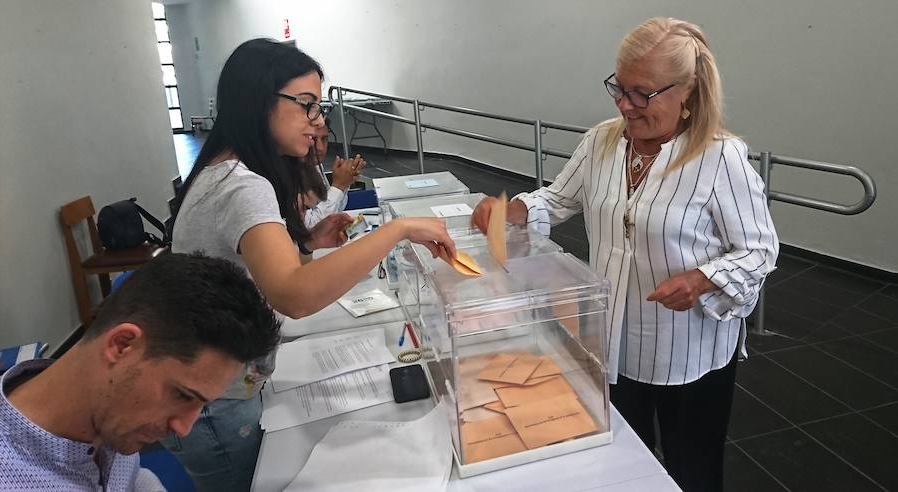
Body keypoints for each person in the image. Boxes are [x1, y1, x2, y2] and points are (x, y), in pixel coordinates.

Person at [472, 18, 778, 491]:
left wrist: (703, 279)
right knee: (620, 461)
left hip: (687, 350)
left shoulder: (721, 157)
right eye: (619, 87)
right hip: (611, 337)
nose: (625, 105)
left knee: (690, 466)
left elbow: (759, 250)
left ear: (688, 91)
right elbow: (558, 199)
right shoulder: (602, 140)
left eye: (643, 93)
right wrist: (508, 210)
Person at [166, 38, 455, 490]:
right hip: (211, 395)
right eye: (307, 106)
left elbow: (266, 267)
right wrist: (396, 230)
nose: (317, 121)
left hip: (225, 382)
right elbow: (295, 294)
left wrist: (311, 242)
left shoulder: (230, 170)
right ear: (259, 102)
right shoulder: (241, 185)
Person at [0, 253, 281, 491]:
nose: (183, 428)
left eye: (202, 404)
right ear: (122, 345)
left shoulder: (111, 413)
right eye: (182, 395)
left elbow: (132, 479)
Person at [301, 123, 367, 228]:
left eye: (324, 139)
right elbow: (310, 227)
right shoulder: (288, 174)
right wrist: (338, 186)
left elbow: (334, 211)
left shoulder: (316, 167)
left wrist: (345, 182)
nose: (320, 148)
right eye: (312, 139)